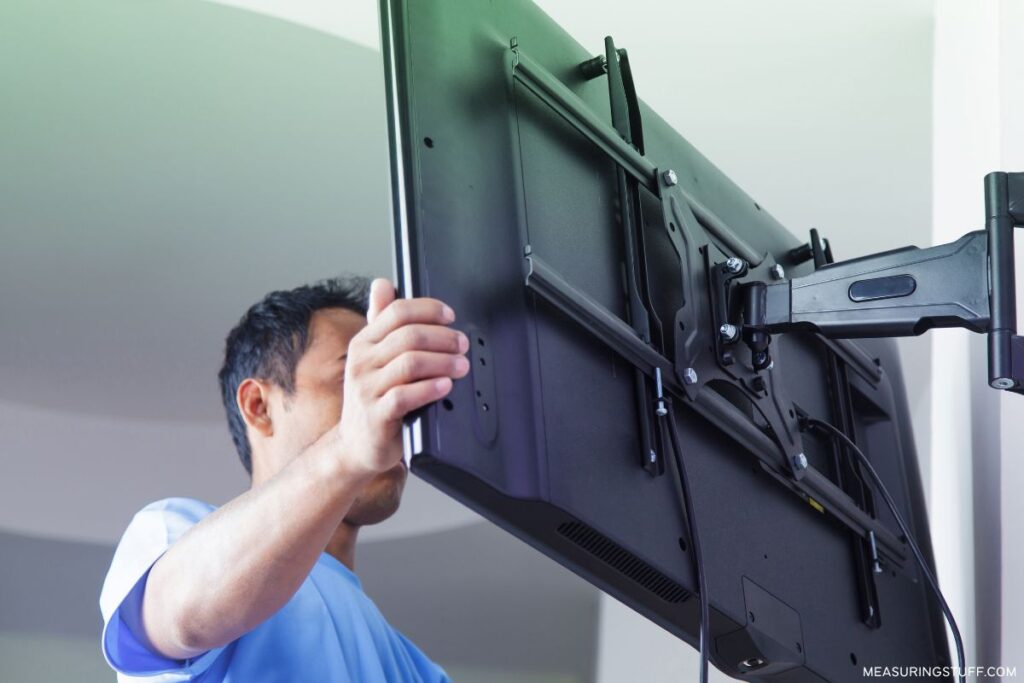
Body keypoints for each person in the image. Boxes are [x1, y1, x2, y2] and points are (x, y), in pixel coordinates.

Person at [98, 276, 468, 682]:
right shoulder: (171, 534)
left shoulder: (417, 671)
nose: (388, 406)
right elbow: (181, 615)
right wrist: (347, 447)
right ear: (258, 406)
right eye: (352, 379)